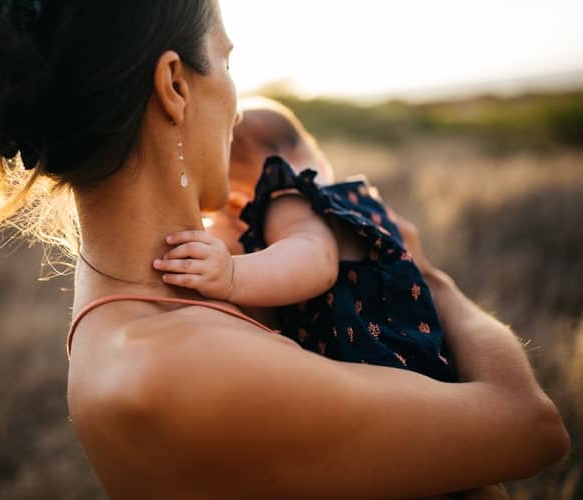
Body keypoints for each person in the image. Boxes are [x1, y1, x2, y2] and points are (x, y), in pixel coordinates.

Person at [0, 0, 568, 498]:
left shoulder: (156, 293)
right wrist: (423, 272)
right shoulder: (174, 368)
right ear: (175, 85)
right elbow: (531, 429)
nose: (240, 106)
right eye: (226, 59)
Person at [158, 98, 457, 382]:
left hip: (379, 365)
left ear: (241, 202)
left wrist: (231, 273)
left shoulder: (287, 199)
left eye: (224, 216)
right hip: (416, 356)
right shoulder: (346, 208)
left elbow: (316, 260)